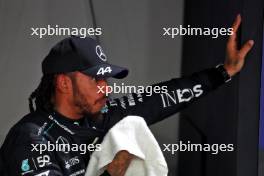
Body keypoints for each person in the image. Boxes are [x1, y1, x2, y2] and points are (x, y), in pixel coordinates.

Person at [0, 14, 254, 176]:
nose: (106, 88)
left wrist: (224, 71)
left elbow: (163, 97)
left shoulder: (102, 116)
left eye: (106, 79)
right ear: (64, 83)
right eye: (96, 79)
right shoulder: (32, 140)